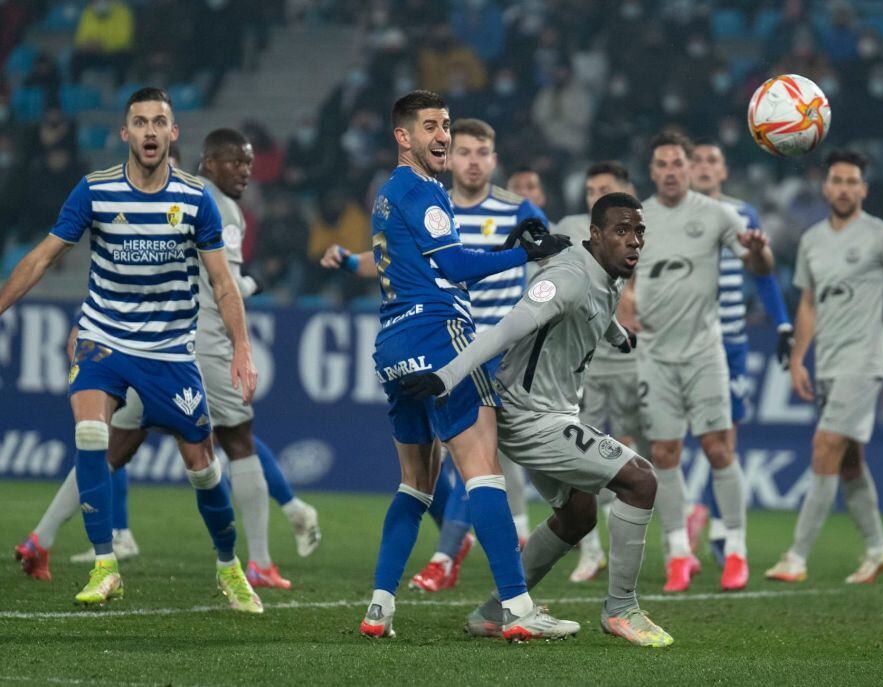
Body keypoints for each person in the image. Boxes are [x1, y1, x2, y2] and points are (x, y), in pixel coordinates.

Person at [15, 129, 321, 588]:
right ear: (209, 162)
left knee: (112, 448)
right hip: (199, 345)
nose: (245, 172)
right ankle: (256, 561)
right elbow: (226, 287)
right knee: (237, 439)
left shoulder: (162, 202)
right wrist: (251, 295)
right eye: (237, 162)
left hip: (146, 344)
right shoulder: (218, 206)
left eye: (249, 164)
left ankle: (41, 537)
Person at [0, 87, 262, 612]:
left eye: (158, 122)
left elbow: (222, 282)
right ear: (125, 133)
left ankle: (229, 566)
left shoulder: (194, 198)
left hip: (168, 350)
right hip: (104, 338)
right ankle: (105, 564)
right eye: (139, 122)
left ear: (172, 133)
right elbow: (44, 257)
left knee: (203, 470)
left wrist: (241, 347)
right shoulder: (94, 190)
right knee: (92, 433)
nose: (148, 131)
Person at [403, 192, 674, 648]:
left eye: (639, 231)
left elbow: (597, 306)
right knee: (640, 481)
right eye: (622, 231)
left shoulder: (611, 271)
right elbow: (510, 327)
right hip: (530, 417)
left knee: (577, 516)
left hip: (554, 411)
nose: (634, 242)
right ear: (595, 234)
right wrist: (447, 377)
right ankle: (622, 609)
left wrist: (617, 333)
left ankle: (493, 612)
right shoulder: (566, 276)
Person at [358, 90, 573, 641]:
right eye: (429, 126)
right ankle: (520, 610)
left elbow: (428, 261)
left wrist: (501, 246)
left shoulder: (390, 193)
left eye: (446, 124)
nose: (443, 135)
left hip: (393, 340)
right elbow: (454, 266)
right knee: (484, 471)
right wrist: (524, 253)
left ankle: (379, 608)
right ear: (402, 137)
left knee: (415, 485)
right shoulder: (422, 190)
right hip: (441, 334)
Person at [765, 149, 883, 584]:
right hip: (828, 362)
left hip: (865, 362)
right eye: (837, 180)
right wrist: (797, 359)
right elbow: (808, 303)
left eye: (852, 182)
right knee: (848, 462)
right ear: (826, 187)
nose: (844, 188)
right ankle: (878, 548)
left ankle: (796, 556)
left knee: (824, 447)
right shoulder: (811, 240)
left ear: (863, 189)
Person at [406, 118, 546, 592]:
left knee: (477, 458)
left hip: (500, 355)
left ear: (494, 158)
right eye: (463, 151)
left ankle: (445, 555)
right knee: (436, 460)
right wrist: (350, 262)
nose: (472, 160)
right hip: (444, 348)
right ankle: (462, 540)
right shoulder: (432, 206)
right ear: (450, 155)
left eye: (481, 152)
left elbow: (554, 269)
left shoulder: (519, 210)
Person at [634, 131, 775, 593]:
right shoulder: (638, 218)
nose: (672, 171)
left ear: (691, 169)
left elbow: (760, 265)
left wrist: (758, 250)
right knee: (663, 454)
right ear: (652, 172)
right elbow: (616, 275)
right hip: (655, 354)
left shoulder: (717, 214)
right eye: (663, 164)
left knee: (718, 448)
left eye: (679, 163)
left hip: (703, 352)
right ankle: (678, 553)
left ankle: (736, 549)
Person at [686, 142, 794, 569]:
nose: (705, 166)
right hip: (680, 342)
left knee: (725, 438)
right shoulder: (671, 213)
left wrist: (782, 322)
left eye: (712, 159)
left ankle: (716, 528)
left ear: (724, 170)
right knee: (670, 442)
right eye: (697, 159)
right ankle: (687, 522)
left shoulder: (742, 214)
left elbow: (762, 274)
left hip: (729, 342)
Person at [552, 161, 641, 582]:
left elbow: (624, 297)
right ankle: (590, 551)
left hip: (627, 362)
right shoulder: (570, 231)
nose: (594, 195)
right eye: (589, 188)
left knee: (631, 453)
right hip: (575, 373)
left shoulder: (632, 235)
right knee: (582, 463)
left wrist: (621, 330)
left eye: (603, 188)